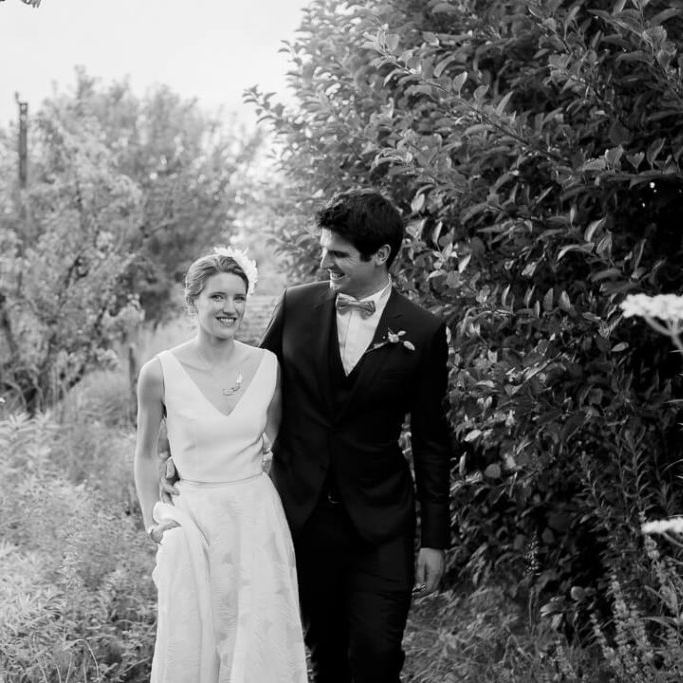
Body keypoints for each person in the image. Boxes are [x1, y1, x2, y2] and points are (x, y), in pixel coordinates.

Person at [260, 188, 454, 682]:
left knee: (377, 656)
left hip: (380, 522)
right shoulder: (296, 306)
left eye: (339, 254)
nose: (325, 261)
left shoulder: (423, 330)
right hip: (301, 517)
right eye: (325, 248)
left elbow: (432, 439)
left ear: (381, 256)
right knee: (326, 656)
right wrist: (190, 450)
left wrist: (434, 538)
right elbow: (252, 391)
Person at [132, 249, 309, 683]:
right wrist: (151, 519)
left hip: (255, 520)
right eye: (217, 297)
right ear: (192, 302)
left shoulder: (268, 366)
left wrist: (249, 461)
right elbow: (144, 452)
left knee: (260, 636)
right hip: (194, 521)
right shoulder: (159, 373)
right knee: (195, 640)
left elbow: (274, 437)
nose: (229, 309)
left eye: (239, 298)